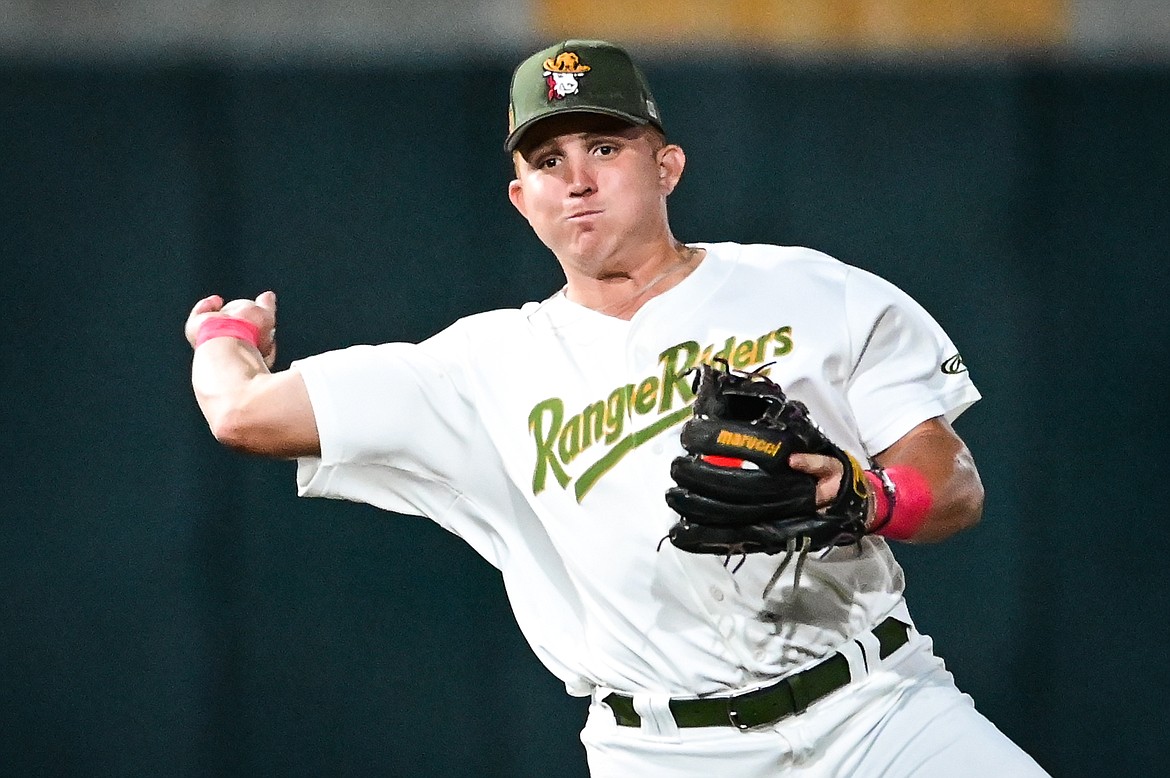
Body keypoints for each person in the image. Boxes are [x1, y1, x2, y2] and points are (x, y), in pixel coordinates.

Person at [185, 39, 1048, 778]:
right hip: (663, 752)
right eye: (548, 163)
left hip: (879, 713)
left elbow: (954, 480)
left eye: (603, 146)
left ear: (665, 164)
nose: (578, 181)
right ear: (521, 201)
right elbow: (242, 414)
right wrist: (225, 332)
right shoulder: (477, 367)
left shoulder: (812, 290)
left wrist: (867, 497)